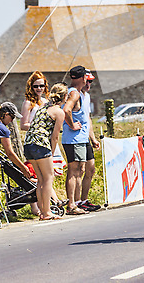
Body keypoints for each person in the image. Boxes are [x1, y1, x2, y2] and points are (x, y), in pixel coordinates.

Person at [20, 70, 65, 215]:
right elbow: (55, 137)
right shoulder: (57, 111)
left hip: (29, 143)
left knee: (41, 180)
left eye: (41, 86)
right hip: (41, 143)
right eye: (35, 86)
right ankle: (46, 213)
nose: (39, 89)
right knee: (48, 179)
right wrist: (51, 153)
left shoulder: (44, 105)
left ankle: (42, 211)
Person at [62, 65, 91, 215]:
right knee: (74, 171)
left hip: (77, 138)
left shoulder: (74, 92)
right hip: (73, 138)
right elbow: (66, 109)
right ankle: (71, 205)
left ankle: (75, 203)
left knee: (79, 170)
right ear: (83, 77)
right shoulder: (74, 94)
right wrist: (72, 124)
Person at [75, 70, 101, 212]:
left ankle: (84, 200)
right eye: (87, 81)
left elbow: (88, 119)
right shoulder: (75, 94)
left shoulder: (87, 96)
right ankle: (76, 201)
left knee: (90, 168)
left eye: (91, 81)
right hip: (76, 137)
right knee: (79, 169)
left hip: (85, 136)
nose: (89, 84)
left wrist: (93, 138)